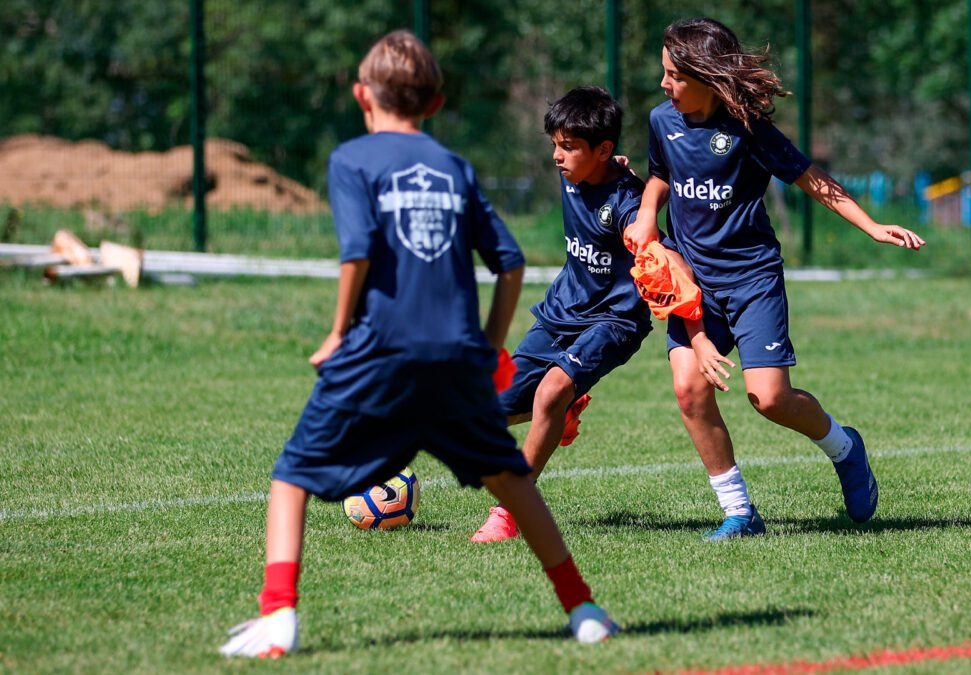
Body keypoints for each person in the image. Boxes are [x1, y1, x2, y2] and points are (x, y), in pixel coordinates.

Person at [219, 31, 618, 658]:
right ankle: (584, 609)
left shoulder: (351, 160)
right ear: (434, 105)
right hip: (458, 356)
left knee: (292, 476)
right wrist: (488, 347)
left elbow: (356, 253)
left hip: (380, 351)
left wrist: (336, 332)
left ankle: (277, 618)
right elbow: (509, 263)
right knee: (511, 479)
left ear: (361, 96)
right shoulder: (455, 167)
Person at [623, 17, 925, 540]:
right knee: (689, 390)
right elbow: (660, 175)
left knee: (768, 398)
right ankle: (739, 512)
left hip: (751, 278)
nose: (664, 85)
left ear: (707, 77)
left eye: (674, 75)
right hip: (693, 280)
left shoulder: (748, 129)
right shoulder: (661, 120)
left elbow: (813, 181)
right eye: (664, 74)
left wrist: (872, 226)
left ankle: (844, 447)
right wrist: (649, 211)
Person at [471, 86, 659, 543]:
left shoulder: (626, 202)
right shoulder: (577, 169)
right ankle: (562, 408)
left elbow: (639, 222)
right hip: (560, 312)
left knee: (550, 392)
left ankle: (510, 512)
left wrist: (643, 237)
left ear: (604, 150)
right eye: (555, 144)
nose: (557, 155)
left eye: (568, 147)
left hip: (614, 320)